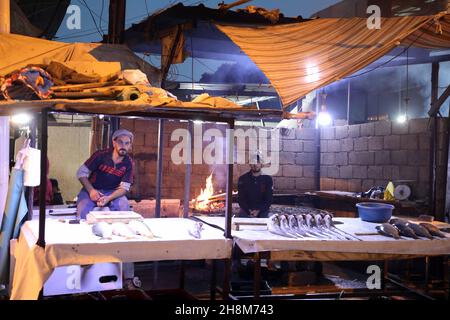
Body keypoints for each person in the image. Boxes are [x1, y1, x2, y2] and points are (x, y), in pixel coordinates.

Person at [76, 129, 134, 219]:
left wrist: (109, 198)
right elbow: (81, 173)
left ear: (130, 145)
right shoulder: (100, 155)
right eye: (120, 142)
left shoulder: (129, 163)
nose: (123, 146)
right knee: (83, 211)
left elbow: (124, 188)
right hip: (91, 190)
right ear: (114, 143)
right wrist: (91, 191)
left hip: (112, 192)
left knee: (124, 209)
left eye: (127, 143)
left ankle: (118, 232)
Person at [237, 152, 273, 218]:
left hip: (262, 210)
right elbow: (240, 199)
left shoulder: (267, 179)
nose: (255, 165)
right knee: (241, 222)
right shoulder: (243, 179)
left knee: (264, 223)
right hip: (246, 210)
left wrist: (258, 210)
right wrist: (248, 211)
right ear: (250, 164)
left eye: (257, 163)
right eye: (253, 162)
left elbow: (269, 199)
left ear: (261, 164)